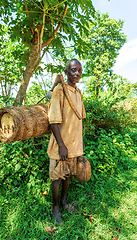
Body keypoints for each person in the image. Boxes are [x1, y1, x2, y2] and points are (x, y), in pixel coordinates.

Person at [47, 59, 86, 224]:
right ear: (67, 73)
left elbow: (79, 120)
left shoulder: (78, 93)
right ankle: (55, 207)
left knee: (68, 175)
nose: (76, 73)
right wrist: (61, 145)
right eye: (73, 70)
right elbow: (53, 121)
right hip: (60, 145)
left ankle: (64, 201)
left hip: (74, 145)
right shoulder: (59, 91)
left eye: (79, 70)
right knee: (56, 177)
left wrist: (80, 141)